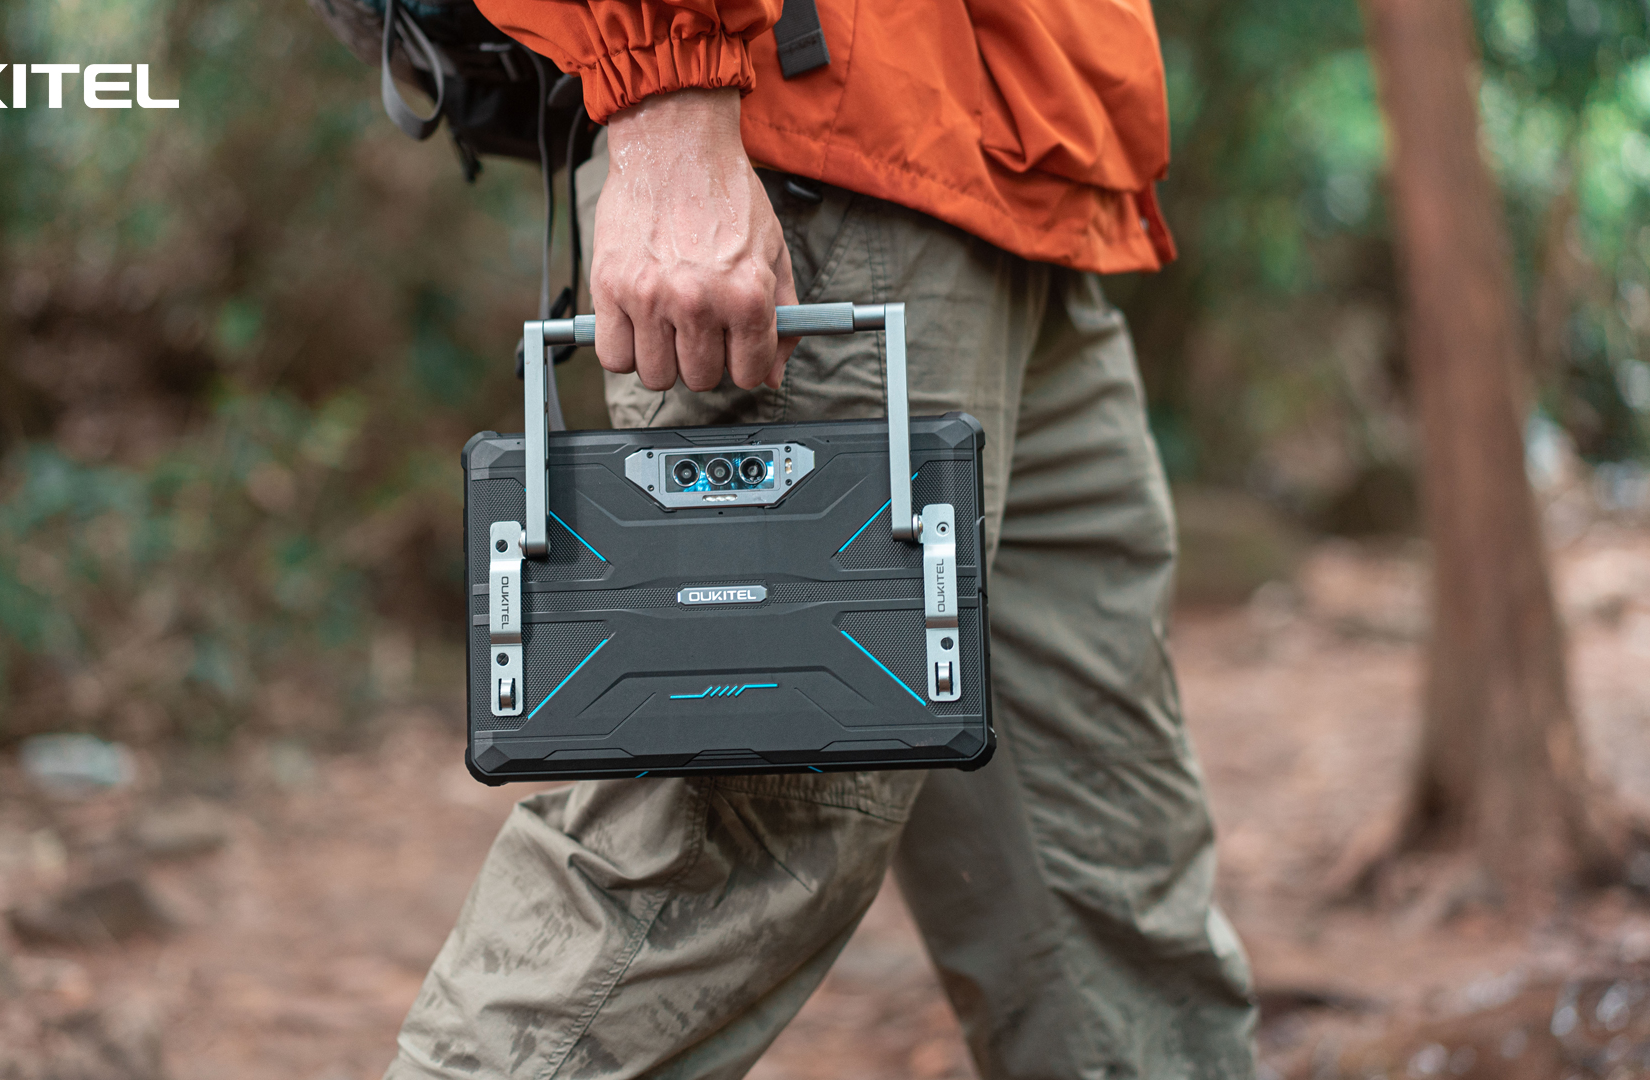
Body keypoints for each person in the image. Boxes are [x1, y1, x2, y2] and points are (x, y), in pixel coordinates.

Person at [388, 2, 1257, 1077]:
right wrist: (665, 96)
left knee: (1108, 884)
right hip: (816, 146)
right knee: (710, 858)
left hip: (1015, 163)